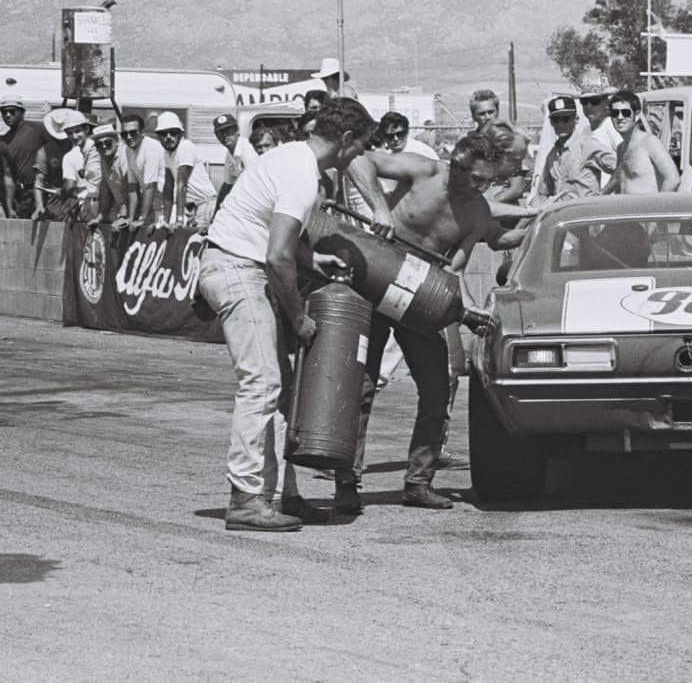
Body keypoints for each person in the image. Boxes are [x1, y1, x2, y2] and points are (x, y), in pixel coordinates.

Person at [197, 96, 375, 532]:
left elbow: (279, 236)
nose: (358, 157)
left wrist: (314, 263)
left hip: (236, 262)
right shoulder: (301, 173)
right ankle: (245, 498)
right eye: (359, 148)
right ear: (346, 139)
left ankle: (282, 496)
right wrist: (298, 318)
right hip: (239, 268)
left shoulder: (290, 157)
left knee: (281, 388)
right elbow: (277, 257)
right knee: (262, 382)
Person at [345, 131, 531, 510]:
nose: (479, 187)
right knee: (360, 389)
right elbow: (357, 160)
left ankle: (418, 481)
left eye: (488, 181)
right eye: (474, 178)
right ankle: (346, 483)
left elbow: (459, 266)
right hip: (376, 280)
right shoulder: (423, 170)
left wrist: (541, 225)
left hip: (421, 298)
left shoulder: (477, 211)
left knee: (436, 390)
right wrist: (380, 209)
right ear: (457, 163)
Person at [531, 96, 616, 205]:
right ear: (551, 122)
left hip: (585, 216)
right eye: (556, 120)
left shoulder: (588, 146)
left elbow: (622, 168)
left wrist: (603, 194)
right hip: (562, 217)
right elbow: (542, 193)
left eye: (566, 119)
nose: (561, 124)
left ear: (576, 119)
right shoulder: (552, 156)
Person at [603, 89, 680, 194]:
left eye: (625, 112)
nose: (620, 117)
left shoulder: (649, 142)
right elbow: (620, 179)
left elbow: (673, 179)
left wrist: (656, 207)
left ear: (637, 115)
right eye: (615, 113)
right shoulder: (621, 148)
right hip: (625, 209)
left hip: (645, 209)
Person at [156, 112, 218, 229]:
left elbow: (181, 185)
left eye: (173, 133)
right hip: (192, 209)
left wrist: (179, 220)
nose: (168, 137)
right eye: (163, 134)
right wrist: (165, 221)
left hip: (205, 204)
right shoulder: (167, 154)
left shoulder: (185, 147)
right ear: (158, 136)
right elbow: (168, 188)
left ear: (180, 134)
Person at [0, 95, 47, 219]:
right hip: (23, 195)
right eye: (4, 112)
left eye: (12, 111)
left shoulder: (37, 129)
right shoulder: (4, 142)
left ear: (22, 113)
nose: (8, 115)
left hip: (43, 191)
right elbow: (8, 176)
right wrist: (9, 206)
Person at [35, 108, 87, 221]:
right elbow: (39, 181)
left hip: (81, 197)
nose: (73, 136)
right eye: (69, 133)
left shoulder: (80, 147)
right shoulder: (44, 152)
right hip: (57, 198)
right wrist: (39, 205)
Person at [120, 114, 165, 227]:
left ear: (142, 132)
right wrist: (130, 219)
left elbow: (150, 186)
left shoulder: (151, 147)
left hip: (168, 207)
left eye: (133, 133)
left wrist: (142, 218)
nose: (129, 137)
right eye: (124, 134)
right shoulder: (128, 150)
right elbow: (132, 188)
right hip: (153, 207)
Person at [60, 113, 104, 221]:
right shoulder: (75, 154)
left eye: (78, 131)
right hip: (87, 206)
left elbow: (70, 187)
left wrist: (62, 191)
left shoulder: (98, 149)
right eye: (70, 133)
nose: (74, 136)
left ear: (87, 129)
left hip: (102, 205)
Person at [82, 123, 128, 225]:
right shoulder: (104, 158)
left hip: (140, 210)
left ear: (116, 141)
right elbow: (105, 188)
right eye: (99, 144)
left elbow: (129, 187)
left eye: (107, 142)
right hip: (124, 210)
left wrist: (124, 215)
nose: (103, 146)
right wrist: (100, 217)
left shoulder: (124, 155)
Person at [213, 113, 258, 208]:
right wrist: (216, 213)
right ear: (217, 137)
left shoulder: (246, 149)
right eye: (220, 133)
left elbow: (256, 182)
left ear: (237, 131)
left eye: (229, 131)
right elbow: (227, 185)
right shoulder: (230, 154)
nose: (225, 135)